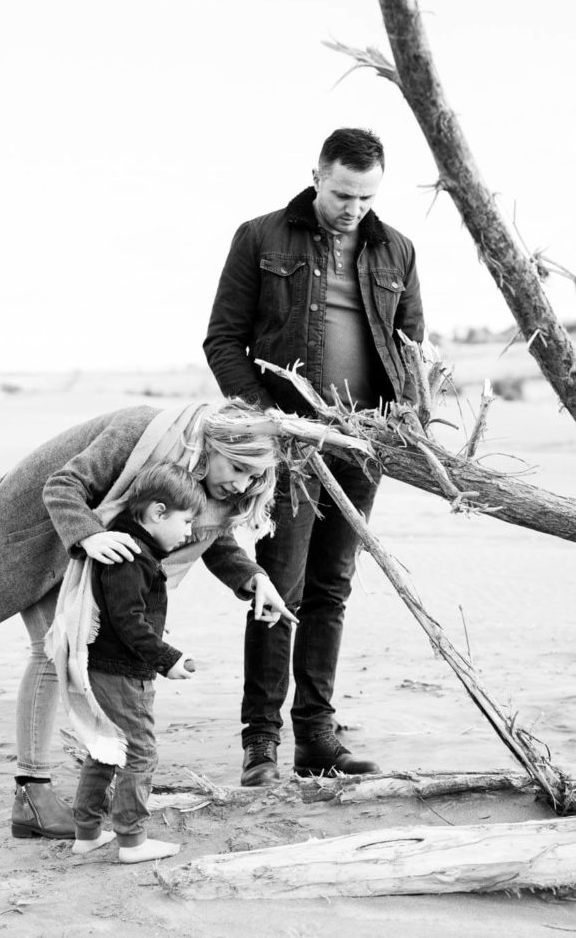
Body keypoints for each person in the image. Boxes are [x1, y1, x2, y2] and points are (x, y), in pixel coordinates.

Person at [0, 399, 295, 837]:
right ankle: (32, 793)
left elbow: (208, 536)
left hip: (92, 543)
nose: (242, 485)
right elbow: (63, 484)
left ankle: (94, 782)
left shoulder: (194, 476)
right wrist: (89, 536)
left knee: (86, 656)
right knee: (52, 650)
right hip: (44, 528)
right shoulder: (144, 430)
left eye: (254, 477)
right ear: (213, 444)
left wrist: (254, 579)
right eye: (237, 468)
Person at [203, 127, 425, 786]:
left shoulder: (397, 250)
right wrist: (270, 425)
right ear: (315, 176)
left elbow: (411, 345)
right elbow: (222, 339)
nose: (352, 207)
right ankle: (260, 744)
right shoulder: (260, 236)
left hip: (362, 445)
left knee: (330, 590)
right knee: (277, 589)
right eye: (341, 193)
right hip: (289, 447)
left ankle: (317, 739)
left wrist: (405, 419)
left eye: (365, 196)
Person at [69, 461, 205, 864]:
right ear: (158, 512)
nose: (190, 533)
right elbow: (128, 621)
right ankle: (132, 840)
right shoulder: (131, 554)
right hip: (122, 673)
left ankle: (87, 832)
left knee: (104, 750)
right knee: (139, 752)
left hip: (106, 667)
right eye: (186, 521)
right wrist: (167, 658)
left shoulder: (129, 546)